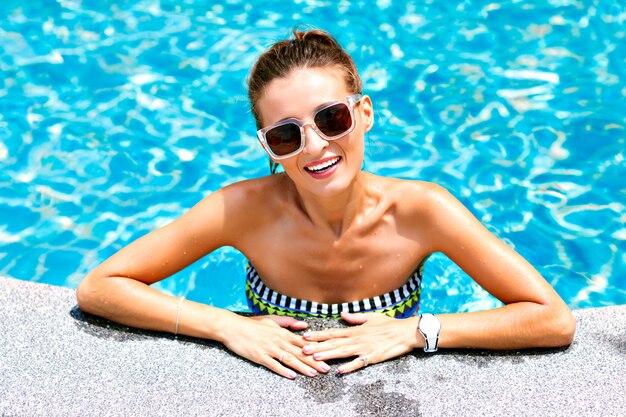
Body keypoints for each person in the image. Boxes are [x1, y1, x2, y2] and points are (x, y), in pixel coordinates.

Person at [77, 28, 576, 379]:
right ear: (268, 147)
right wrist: (226, 325)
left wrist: (413, 333)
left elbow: (552, 318)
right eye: (287, 134)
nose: (314, 146)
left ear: (363, 113)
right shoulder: (241, 210)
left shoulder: (423, 210)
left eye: (331, 118)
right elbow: (100, 287)